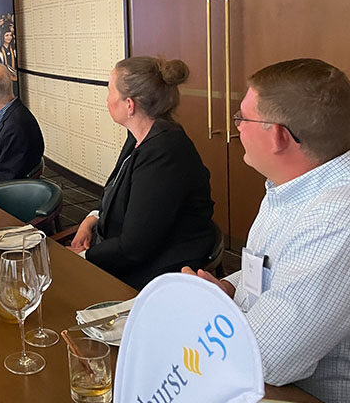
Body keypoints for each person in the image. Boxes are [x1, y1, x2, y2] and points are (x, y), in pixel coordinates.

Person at [183, 58, 350, 403]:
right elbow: (273, 268)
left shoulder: (335, 218)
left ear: (277, 135)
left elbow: (266, 359)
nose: (237, 127)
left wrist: (210, 310)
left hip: (294, 393)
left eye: (242, 118)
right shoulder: (292, 186)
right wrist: (227, 287)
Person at [68, 57, 214, 289]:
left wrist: (83, 259)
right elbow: (115, 190)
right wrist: (90, 220)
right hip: (130, 250)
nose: (106, 99)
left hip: (158, 268)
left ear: (129, 104)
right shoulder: (141, 135)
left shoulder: (164, 152)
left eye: (109, 91)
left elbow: (134, 248)